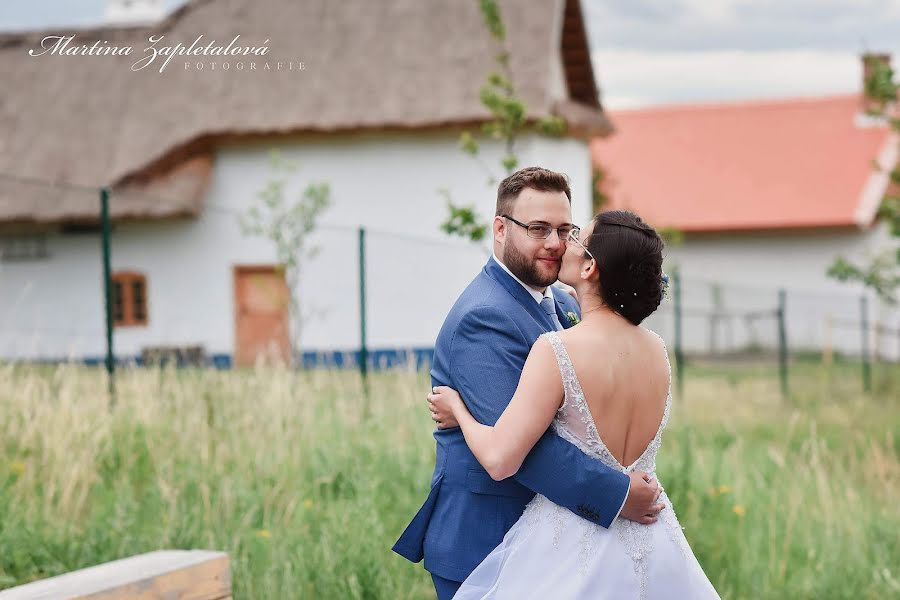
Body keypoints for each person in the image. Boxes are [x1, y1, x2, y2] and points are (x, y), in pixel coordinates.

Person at [392, 168, 664, 600]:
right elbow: (524, 451)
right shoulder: (483, 318)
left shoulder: (563, 301)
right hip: (486, 539)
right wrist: (618, 495)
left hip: (560, 539)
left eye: (564, 230)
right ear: (500, 229)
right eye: (538, 229)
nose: (555, 244)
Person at [428, 209, 719, 599]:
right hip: (653, 543)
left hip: (569, 546)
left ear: (589, 268)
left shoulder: (557, 349)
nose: (564, 241)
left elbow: (500, 459)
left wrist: (460, 412)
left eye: (576, 236)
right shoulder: (657, 351)